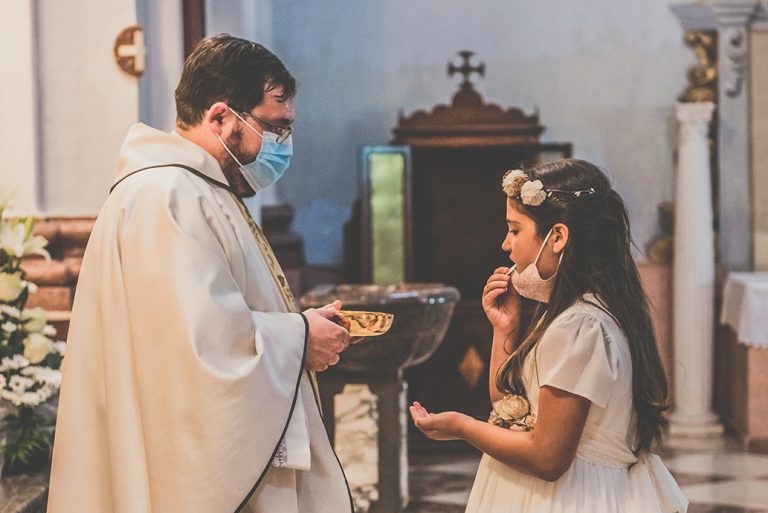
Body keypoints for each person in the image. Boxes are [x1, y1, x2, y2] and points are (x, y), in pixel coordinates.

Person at [48, 35, 353, 513]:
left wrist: (297, 330)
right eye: (275, 129)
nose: (282, 146)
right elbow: (191, 355)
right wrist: (298, 339)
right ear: (219, 117)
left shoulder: (197, 189)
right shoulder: (167, 196)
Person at [410, 159, 688, 513]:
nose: (505, 245)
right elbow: (513, 407)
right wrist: (505, 329)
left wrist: (462, 426)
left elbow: (547, 458)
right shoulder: (568, 315)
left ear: (557, 237)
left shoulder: (580, 326)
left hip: (570, 497)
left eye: (515, 230)